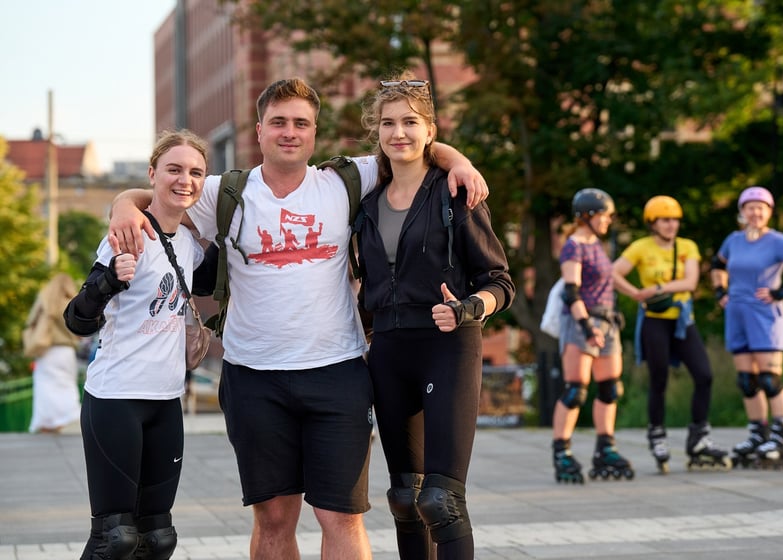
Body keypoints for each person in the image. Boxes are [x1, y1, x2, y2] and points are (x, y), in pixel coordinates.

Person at [108, 78, 489, 560]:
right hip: (253, 377)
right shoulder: (224, 192)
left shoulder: (345, 180)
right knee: (273, 518)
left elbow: (412, 146)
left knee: (341, 517)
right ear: (259, 130)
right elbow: (162, 191)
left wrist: (459, 162)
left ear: (314, 132)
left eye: (301, 123)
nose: (290, 132)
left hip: (337, 372)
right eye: (279, 122)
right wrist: (124, 204)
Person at [355, 76, 515, 559]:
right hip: (388, 351)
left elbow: (500, 281)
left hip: (448, 346)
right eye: (388, 123)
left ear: (430, 130)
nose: (398, 132)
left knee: (441, 501)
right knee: (406, 498)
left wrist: (469, 308)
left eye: (410, 122)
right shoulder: (365, 203)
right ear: (377, 131)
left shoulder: (454, 193)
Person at [64, 129, 211, 560]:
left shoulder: (190, 245)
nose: (185, 180)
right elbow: (77, 320)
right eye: (174, 169)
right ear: (152, 174)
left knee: (157, 538)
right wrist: (109, 281)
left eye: (196, 172)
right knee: (116, 538)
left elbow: (229, 272)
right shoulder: (128, 234)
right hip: (116, 399)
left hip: (166, 401)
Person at [612, 196, 730, 473]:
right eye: (665, 220)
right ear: (653, 223)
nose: (671, 225)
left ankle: (699, 435)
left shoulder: (687, 246)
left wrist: (657, 289)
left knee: (704, 375)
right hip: (654, 322)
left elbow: (690, 282)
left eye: (675, 220)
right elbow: (613, 273)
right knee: (659, 379)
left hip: (683, 321)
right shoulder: (641, 247)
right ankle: (657, 434)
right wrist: (635, 293)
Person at [711, 186, 783, 469]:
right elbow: (717, 264)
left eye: (761, 208)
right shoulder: (734, 240)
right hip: (737, 313)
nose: (755, 213)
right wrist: (720, 292)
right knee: (747, 381)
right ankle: (758, 434)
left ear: (769, 212)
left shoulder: (777, 241)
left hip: (765, 315)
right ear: (742, 211)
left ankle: (781, 437)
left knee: (770, 380)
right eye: (750, 207)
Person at [552, 188, 633, 483]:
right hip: (581, 322)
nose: (608, 221)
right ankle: (562, 451)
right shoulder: (573, 246)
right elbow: (571, 292)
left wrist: (638, 295)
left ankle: (605, 448)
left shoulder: (597, 244)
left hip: (607, 321)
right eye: (604, 215)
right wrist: (587, 328)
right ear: (587, 215)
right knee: (576, 391)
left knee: (611, 388)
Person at [25, 273, 81, 433]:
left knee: (45, 388)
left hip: (46, 351)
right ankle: (63, 420)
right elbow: (79, 331)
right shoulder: (72, 303)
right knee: (67, 385)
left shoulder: (44, 301)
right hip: (66, 351)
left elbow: (31, 323)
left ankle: (47, 424)